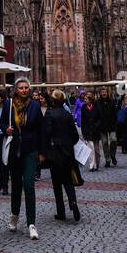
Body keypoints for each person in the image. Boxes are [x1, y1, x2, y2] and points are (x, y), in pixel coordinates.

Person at [0, 76, 44, 239]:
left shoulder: (35, 106)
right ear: (16, 90)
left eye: (26, 87)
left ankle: (31, 223)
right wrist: (6, 129)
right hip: (14, 151)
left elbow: (41, 129)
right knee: (16, 186)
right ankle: (14, 215)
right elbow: (1, 123)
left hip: (30, 150)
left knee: (29, 186)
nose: (24, 90)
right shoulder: (9, 104)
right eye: (21, 87)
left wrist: (42, 152)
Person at [44, 88, 80, 221]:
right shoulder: (67, 114)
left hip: (55, 153)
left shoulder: (50, 114)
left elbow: (47, 134)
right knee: (68, 181)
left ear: (53, 100)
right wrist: (68, 144)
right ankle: (73, 202)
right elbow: (75, 136)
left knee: (57, 184)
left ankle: (61, 212)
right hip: (68, 152)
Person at [80, 91, 102, 170]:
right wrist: (83, 131)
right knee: (90, 149)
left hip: (95, 131)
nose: (85, 100)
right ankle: (92, 165)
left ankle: (97, 164)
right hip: (88, 131)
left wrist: (96, 126)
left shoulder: (96, 106)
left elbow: (100, 118)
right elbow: (83, 121)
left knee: (96, 150)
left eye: (86, 99)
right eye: (84, 99)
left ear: (90, 99)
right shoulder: (83, 108)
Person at [98, 86, 118, 167]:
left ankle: (112, 155)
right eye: (102, 92)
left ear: (107, 93)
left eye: (105, 92)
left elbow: (115, 114)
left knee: (113, 140)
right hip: (102, 126)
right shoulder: (98, 102)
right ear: (100, 93)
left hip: (111, 125)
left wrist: (115, 123)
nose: (104, 93)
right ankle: (108, 159)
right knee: (105, 143)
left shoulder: (112, 101)